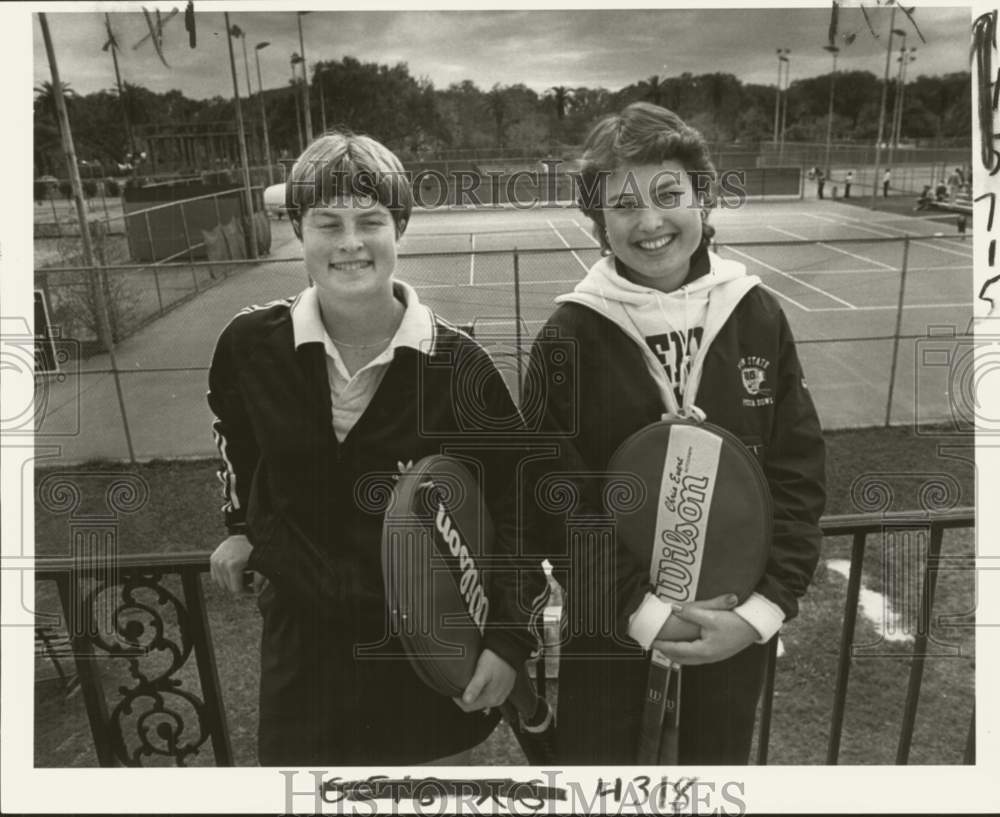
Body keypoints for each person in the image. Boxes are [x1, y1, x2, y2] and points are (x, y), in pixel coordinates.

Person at [207, 131, 547, 766]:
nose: (349, 242)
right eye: (326, 222)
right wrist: (240, 525)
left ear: (401, 228)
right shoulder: (249, 344)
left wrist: (507, 639)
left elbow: (520, 508)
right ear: (297, 230)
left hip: (421, 654)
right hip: (303, 654)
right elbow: (236, 437)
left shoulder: (460, 367)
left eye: (370, 221)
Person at [524, 102, 826, 765]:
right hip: (611, 637)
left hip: (730, 626)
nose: (651, 221)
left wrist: (762, 611)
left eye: (668, 195)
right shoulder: (569, 336)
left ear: (702, 198)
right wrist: (647, 615)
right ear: (599, 221)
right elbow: (555, 498)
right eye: (624, 204)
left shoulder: (756, 313)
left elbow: (797, 471)